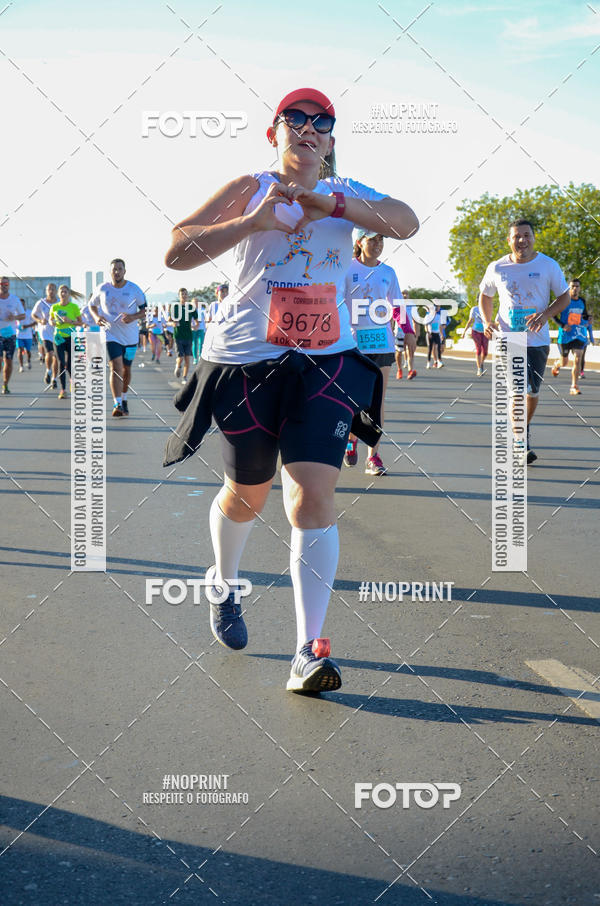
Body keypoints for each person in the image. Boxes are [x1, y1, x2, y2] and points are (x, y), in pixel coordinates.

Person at [163, 87, 418, 694]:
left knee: (309, 498)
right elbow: (176, 251)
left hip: (324, 362)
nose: (309, 129)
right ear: (274, 133)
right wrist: (252, 220)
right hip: (247, 360)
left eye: (321, 123)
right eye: (295, 120)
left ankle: (309, 650)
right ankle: (223, 583)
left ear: (330, 141)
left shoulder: (347, 193)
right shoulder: (248, 186)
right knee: (247, 493)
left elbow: (406, 222)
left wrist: (332, 206)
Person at [480, 219, 570, 464]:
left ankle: (522, 429)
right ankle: (520, 441)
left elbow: (564, 298)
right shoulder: (497, 267)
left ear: (533, 237)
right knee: (517, 392)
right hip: (510, 338)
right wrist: (487, 321)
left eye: (526, 235)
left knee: (533, 393)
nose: (522, 240)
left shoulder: (548, 265)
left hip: (538, 340)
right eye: (516, 236)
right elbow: (485, 295)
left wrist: (545, 315)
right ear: (509, 240)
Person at [343, 229, 401, 475]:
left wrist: (407, 329)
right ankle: (351, 439)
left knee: (377, 401)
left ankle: (373, 457)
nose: (378, 244)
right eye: (372, 239)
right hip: (352, 345)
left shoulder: (388, 272)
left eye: (381, 239)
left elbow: (397, 305)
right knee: (354, 400)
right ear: (359, 242)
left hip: (382, 344)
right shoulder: (346, 269)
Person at [90, 258, 147, 416]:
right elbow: (91, 304)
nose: (117, 272)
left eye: (120, 269)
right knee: (116, 367)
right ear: (110, 272)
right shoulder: (102, 288)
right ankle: (117, 404)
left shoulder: (134, 289)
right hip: (110, 335)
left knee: (126, 369)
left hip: (130, 338)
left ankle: (124, 397)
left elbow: (145, 310)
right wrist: (96, 317)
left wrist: (133, 317)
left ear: (124, 271)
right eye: (114, 269)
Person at [551, 279, 591, 395]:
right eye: (572, 286)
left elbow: (584, 314)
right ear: (569, 288)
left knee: (578, 358)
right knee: (564, 362)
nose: (575, 288)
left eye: (577, 286)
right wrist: (562, 325)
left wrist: (589, 318)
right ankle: (557, 365)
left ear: (580, 288)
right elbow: (552, 314)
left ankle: (574, 386)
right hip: (565, 335)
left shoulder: (582, 301)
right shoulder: (563, 300)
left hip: (578, 334)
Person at [50, 285, 84, 399]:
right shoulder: (54, 307)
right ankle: (63, 390)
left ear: (69, 294)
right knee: (61, 363)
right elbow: (50, 320)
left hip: (71, 336)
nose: (63, 294)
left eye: (65, 292)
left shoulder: (74, 307)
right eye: (61, 292)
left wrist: (70, 321)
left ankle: (72, 381)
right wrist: (53, 322)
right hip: (59, 337)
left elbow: (80, 323)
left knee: (69, 364)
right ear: (58, 294)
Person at [0, 277, 25, 393]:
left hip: (10, 334)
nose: (3, 285)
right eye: (1, 283)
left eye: (5, 284)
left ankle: (5, 384)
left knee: (8, 361)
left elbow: (23, 315)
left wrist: (14, 317)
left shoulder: (14, 299)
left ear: (9, 285)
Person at [32, 283, 59, 388]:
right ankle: (48, 370)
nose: (51, 291)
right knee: (50, 353)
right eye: (49, 289)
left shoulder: (59, 303)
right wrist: (39, 320)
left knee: (56, 357)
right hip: (45, 332)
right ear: (46, 291)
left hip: (57, 333)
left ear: (56, 291)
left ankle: (54, 378)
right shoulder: (41, 303)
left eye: (53, 289)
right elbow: (33, 315)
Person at [170, 287, 198, 384]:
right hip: (178, 335)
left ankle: (184, 377)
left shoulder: (191, 307)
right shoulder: (175, 307)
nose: (184, 296)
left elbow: (197, 320)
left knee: (187, 358)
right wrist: (173, 323)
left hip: (188, 336)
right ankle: (178, 366)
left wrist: (196, 326)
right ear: (179, 296)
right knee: (180, 357)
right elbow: (169, 321)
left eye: (186, 294)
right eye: (182, 294)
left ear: (187, 295)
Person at [394, 288, 417, 380]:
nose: (405, 295)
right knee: (399, 352)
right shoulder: (396, 304)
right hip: (399, 331)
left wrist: (416, 333)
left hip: (410, 331)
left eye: (406, 294)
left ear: (409, 295)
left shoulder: (412, 305)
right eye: (403, 293)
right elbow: (392, 318)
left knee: (410, 350)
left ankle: (410, 371)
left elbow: (416, 320)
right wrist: (391, 330)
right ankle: (399, 369)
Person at [463, 301, 489, 376]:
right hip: (476, 331)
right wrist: (464, 332)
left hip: (485, 332)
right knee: (478, 349)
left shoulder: (487, 308)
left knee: (485, 352)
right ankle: (479, 369)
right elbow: (470, 321)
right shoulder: (474, 309)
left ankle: (481, 362)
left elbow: (489, 321)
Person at [16, 300, 34, 371]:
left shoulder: (29, 312)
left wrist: (27, 326)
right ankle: (21, 366)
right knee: (20, 350)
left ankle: (28, 361)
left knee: (28, 351)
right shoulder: (15, 313)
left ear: (24, 305)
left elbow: (35, 322)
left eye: (22, 304)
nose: (21, 306)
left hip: (28, 336)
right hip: (19, 335)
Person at [191, 296, 206, 363]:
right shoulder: (190, 310)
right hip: (193, 329)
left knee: (201, 343)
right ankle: (195, 358)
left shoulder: (202, 309)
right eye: (194, 302)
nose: (196, 303)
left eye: (197, 302)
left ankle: (200, 356)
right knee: (194, 343)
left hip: (201, 329)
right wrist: (192, 326)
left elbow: (206, 318)